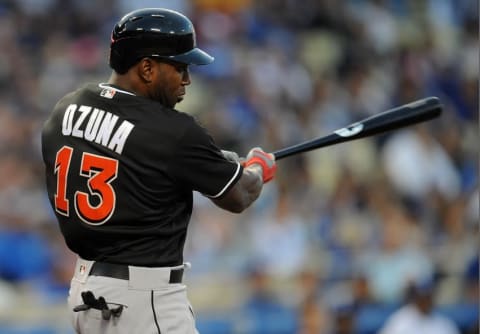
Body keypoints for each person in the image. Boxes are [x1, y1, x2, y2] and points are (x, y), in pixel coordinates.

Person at [41, 8, 276, 334]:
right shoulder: (174, 132)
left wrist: (208, 159)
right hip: (144, 300)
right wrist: (257, 166)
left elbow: (132, 154)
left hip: (86, 295)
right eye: (179, 67)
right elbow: (239, 195)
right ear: (147, 68)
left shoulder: (66, 108)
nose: (187, 79)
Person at [379, 280, 460, 334]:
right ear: (415, 298)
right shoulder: (400, 320)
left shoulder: (444, 323)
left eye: (427, 298)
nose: (424, 302)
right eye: (421, 298)